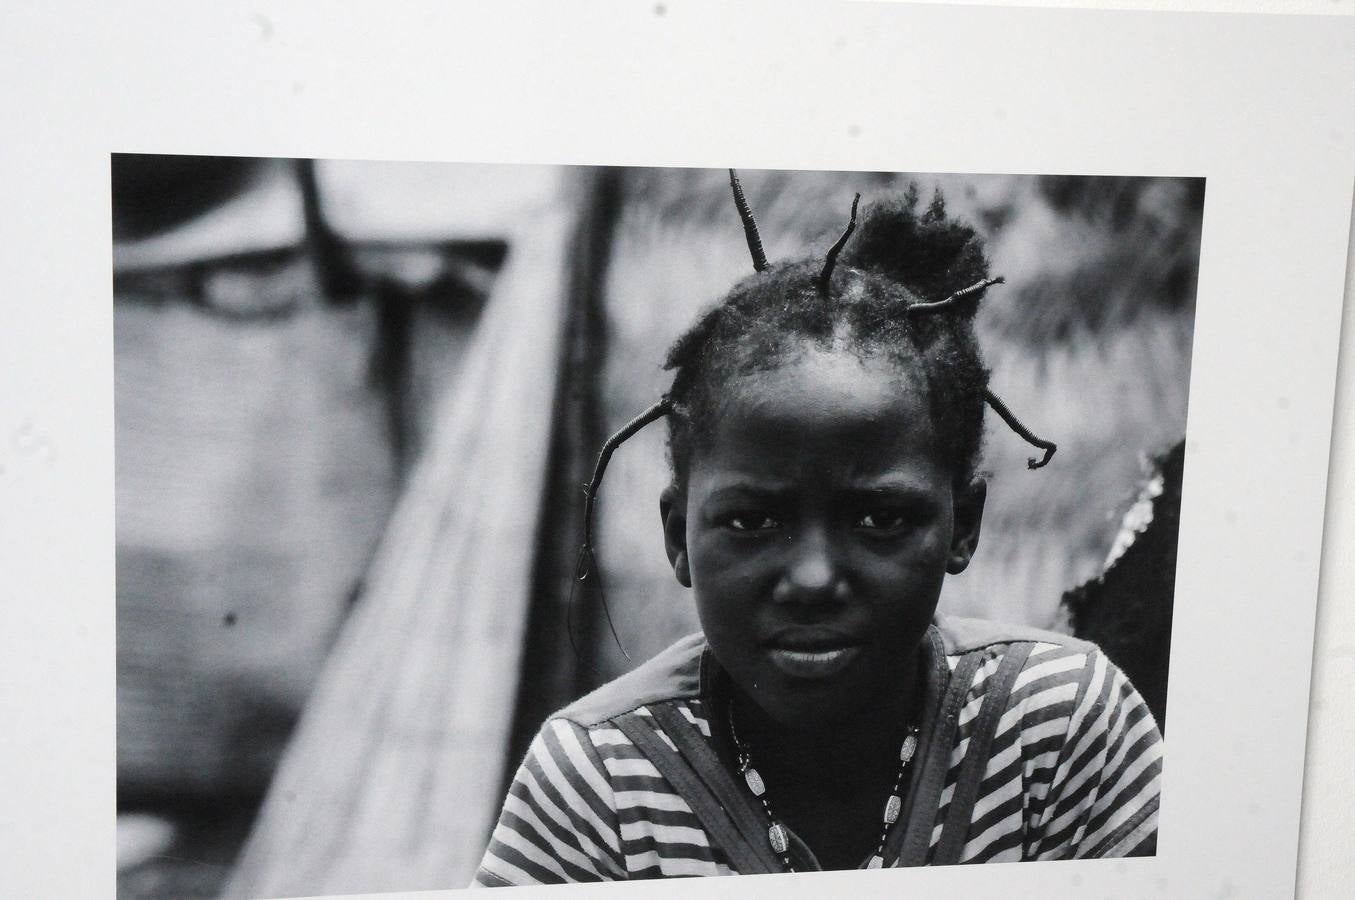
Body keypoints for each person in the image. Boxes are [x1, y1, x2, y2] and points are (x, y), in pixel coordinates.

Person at [471, 173, 1162, 885]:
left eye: (879, 519)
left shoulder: (1059, 733)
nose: (812, 579)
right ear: (678, 535)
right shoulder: (600, 785)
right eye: (750, 521)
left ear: (963, 525)